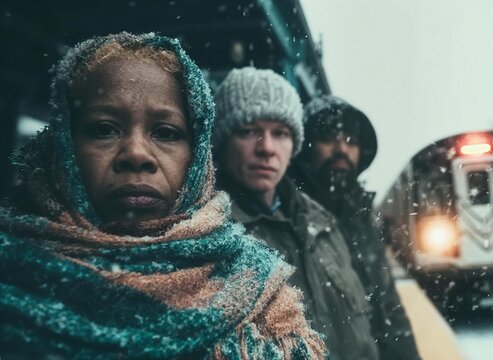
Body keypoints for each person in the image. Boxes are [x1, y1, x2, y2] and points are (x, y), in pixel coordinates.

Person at [0, 32, 325, 359]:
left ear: (197, 156)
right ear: (64, 144)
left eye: (166, 132)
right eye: (104, 129)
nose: (136, 154)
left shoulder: (259, 291)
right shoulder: (12, 272)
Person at [212, 67, 379, 360]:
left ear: (294, 147)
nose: (267, 148)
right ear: (222, 142)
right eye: (248, 131)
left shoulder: (323, 224)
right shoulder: (206, 237)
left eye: (281, 133)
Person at [289, 95, 421, 359]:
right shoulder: (290, 213)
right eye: (328, 138)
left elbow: (387, 304)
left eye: (351, 141)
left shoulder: (361, 216)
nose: (341, 149)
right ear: (305, 149)